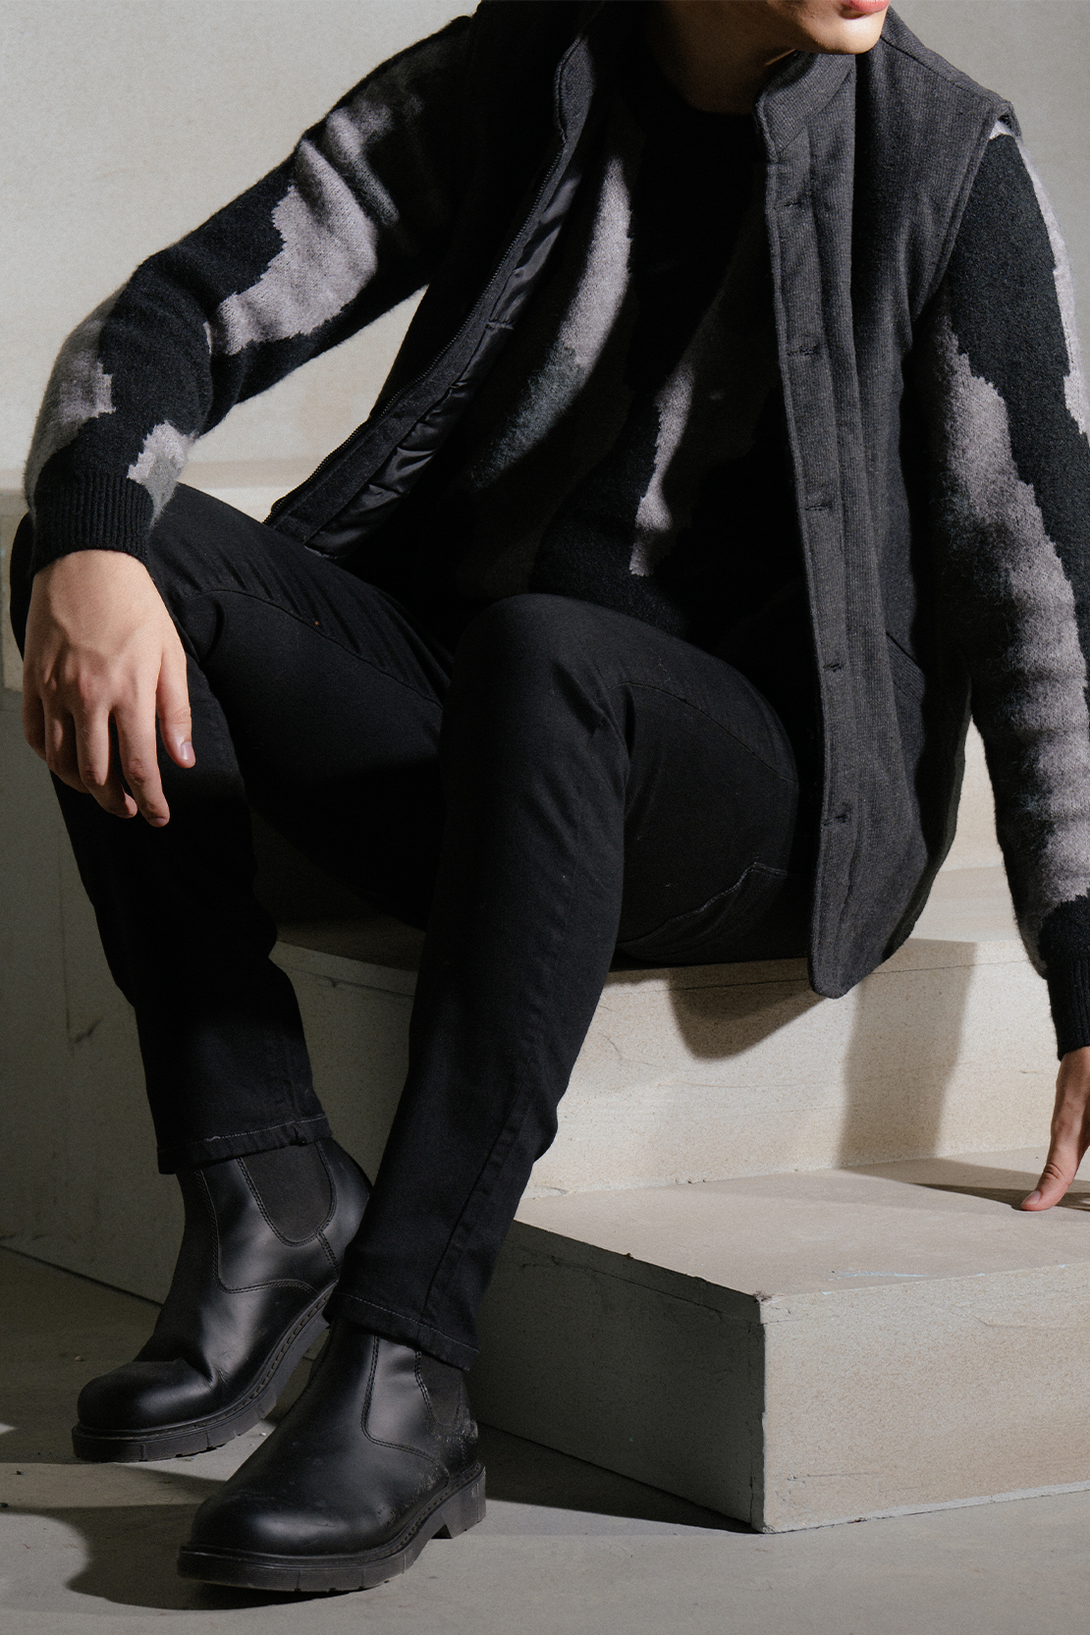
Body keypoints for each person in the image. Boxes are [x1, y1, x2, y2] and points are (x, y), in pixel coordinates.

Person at [11, 0, 1090, 1595]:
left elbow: (1036, 580)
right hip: (492, 735)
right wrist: (87, 537)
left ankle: (406, 1361)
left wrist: (1083, 962)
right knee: (114, 546)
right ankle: (264, 1180)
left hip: (764, 808)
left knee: (549, 655)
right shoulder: (521, 68)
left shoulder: (944, 160)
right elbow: (178, 308)